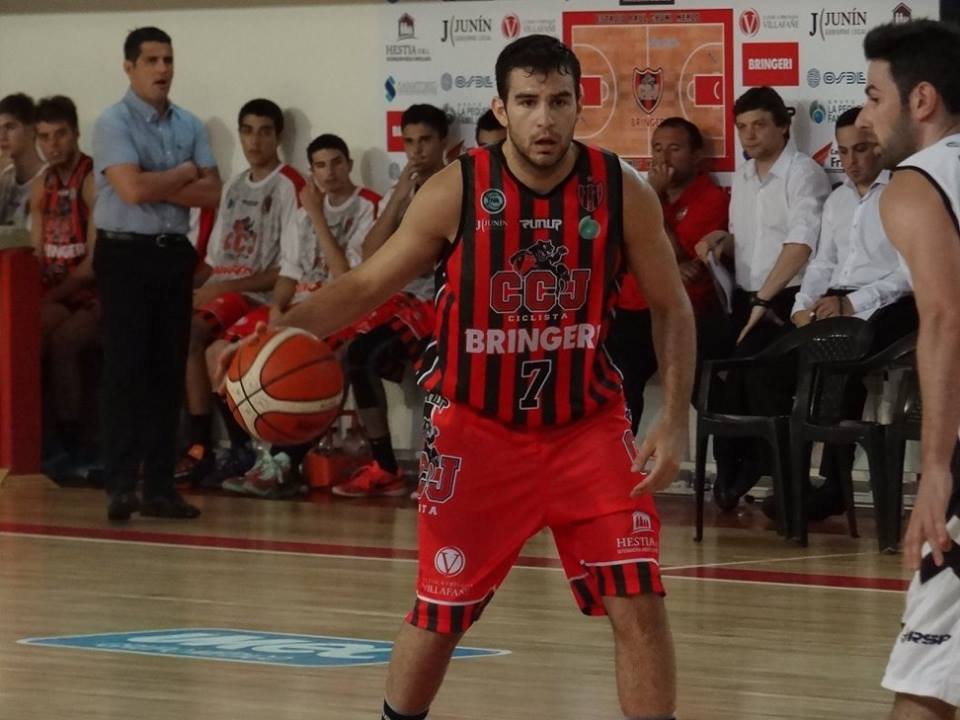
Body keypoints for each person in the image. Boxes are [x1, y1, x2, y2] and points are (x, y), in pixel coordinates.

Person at [219, 33, 695, 720]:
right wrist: (279, 334)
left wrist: (673, 417)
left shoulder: (620, 188)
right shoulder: (458, 189)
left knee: (640, 601)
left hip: (587, 430)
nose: (544, 118)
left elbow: (671, 305)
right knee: (441, 616)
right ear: (500, 109)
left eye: (559, 101)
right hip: (476, 434)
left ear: (579, 105)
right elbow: (366, 286)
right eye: (527, 102)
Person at [856, 19, 960, 720]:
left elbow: (946, 318)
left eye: (873, 97)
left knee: (925, 683)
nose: (865, 117)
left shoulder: (915, 185)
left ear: (920, 100)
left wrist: (937, 471)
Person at [762, 105, 915, 522]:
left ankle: (835, 485)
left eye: (860, 149)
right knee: (777, 364)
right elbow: (823, 263)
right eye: (843, 152)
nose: (851, 161)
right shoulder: (838, 200)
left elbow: (908, 273)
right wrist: (801, 307)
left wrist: (852, 304)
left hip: (891, 303)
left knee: (839, 360)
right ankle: (792, 482)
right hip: (837, 300)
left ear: (880, 147)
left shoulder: (904, 194)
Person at [92, 26, 221, 522]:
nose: (163, 69)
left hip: (172, 254)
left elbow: (212, 193)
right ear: (129, 67)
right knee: (126, 369)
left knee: (168, 372)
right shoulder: (113, 122)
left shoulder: (188, 123)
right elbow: (131, 191)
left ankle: (161, 488)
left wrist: (157, 181)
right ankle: (121, 484)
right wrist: (184, 173)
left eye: (168, 59)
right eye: (152, 60)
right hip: (124, 254)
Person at [218, 133, 381, 497]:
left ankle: (285, 462)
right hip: (299, 306)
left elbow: (347, 279)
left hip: (340, 308)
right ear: (312, 171)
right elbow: (289, 273)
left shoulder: (368, 206)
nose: (329, 172)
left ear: (349, 165)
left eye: (336, 163)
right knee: (221, 352)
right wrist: (277, 309)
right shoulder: (301, 212)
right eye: (320, 165)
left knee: (317, 363)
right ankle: (252, 453)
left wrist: (319, 217)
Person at [695, 86, 832, 510]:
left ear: (784, 126)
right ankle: (737, 464)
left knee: (755, 374)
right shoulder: (743, 176)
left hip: (785, 299)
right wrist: (721, 241)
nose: (749, 135)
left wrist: (763, 302)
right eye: (742, 127)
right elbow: (750, 240)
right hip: (743, 295)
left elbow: (800, 245)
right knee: (702, 363)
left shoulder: (802, 173)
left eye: (758, 125)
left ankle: (772, 478)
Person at [176, 98, 304, 487]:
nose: (255, 141)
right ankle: (199, 445)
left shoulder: (289, 184)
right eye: (248, 131)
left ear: (278, 136)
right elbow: (215, 261)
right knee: (171, 326)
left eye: (264, 132)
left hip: (258, 295)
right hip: (225, 290)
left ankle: (221, 447)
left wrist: (224, 286)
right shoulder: (232, 185)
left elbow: (288, 268)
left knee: (199, 339)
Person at [330, 104, 446, 498]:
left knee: (437, 371)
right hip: (400, 299)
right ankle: (385, 466)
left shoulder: (453, 188)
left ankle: (438, 467)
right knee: (352, 352)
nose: (417, 150)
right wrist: (398, 196)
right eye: (409, 142)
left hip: (438, 301)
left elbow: (427, 259)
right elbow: (371, 254)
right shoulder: (400, 193)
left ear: (442, 142)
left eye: (425, 140)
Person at [606, 116, 730, 434]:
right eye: (657, 148)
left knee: (704, 392)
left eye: (674, 149)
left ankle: (732, 459)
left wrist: (652, 201)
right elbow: (626, 250)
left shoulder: (712, 198)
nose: (663, 158)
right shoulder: (641, 195)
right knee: (618, 384)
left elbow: (677, 256)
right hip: (633, 309)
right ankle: (621, 456)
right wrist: (651, 197)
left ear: (697, 155)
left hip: (686, 311)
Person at [29, 95, 100, 482]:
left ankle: (77, 447)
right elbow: (36, 255)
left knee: (64, 342)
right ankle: (38, 440)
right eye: (44, 137)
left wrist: (49, 297)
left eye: (60, 135)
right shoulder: (42, 184)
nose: (52, 145)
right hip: (57, 292)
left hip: (95, 293)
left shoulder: (92, 180)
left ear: (76, 133)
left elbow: (94, 264)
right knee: (24, 337)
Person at [0, 93, 46, 226]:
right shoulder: (5, 176)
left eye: (10, 127)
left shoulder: (49, 179)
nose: (2, 136)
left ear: (32, 130)